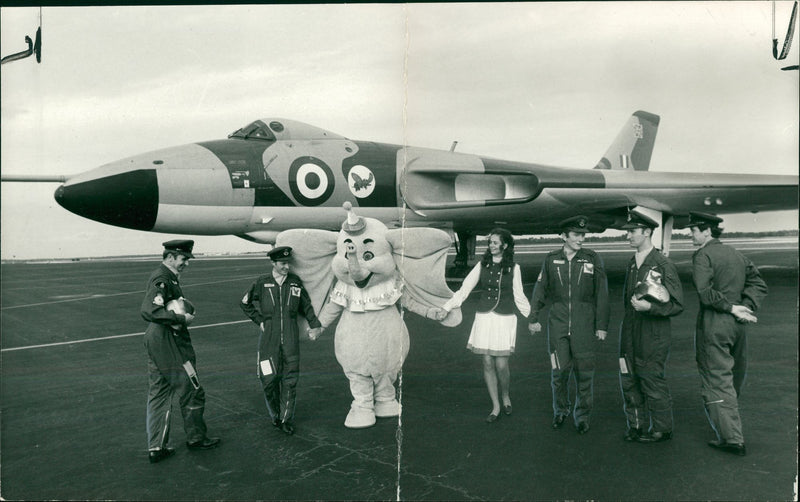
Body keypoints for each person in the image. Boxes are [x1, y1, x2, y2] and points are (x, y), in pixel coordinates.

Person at [685, 212, 767, 456]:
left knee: (716, 379)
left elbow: (704, 291)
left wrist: (730, 307)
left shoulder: (703, 255)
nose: (690, 234)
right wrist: (745, 306)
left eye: (694, 231)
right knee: (733, 376)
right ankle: (729, 426)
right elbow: (759, 283)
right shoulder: (736, 254)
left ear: (706, 231)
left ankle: (732, 439)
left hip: (715, 322)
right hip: (738, 324)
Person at [528, 216, 609, 434]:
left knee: (584, 373)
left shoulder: (592, 258)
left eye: (583, 235)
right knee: (559, 371)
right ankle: (560, 410)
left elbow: (602, 294)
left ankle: (582, 416)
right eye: (576, 234)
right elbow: (540, 290)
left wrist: (601, 325)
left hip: (584, 323)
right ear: (564, 236)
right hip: (558, 325)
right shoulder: (551, 259)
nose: (581, 239)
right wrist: (533, 317)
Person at [141, 240, 220, 464]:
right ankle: (196, 438)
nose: (187, 263)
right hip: (169, 342)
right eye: (184, 259)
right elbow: (149, 309)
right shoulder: (163, 278)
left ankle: (156, 446)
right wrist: (180, 318)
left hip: (156, 340)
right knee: (192, 388)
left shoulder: (167, 276)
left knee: (159, 392)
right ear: (171, 257)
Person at [442, 228, 530, 423]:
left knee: (501, 363)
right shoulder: (482, 265)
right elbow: (464, 289)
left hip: (504, 319)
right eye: (490, 242)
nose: (491, 245)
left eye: (495, 243)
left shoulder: (514, 268)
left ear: (505, 246)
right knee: (487, 362)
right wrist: (447, 307)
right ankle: (496, 405)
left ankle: (505, 395)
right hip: (484, 318)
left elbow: (519, 295)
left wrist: (532, 317)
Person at [240, 246, 322, 435]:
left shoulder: (295, 282)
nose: (287, 267)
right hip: (269, 338)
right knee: (268, 379)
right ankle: (274, 415)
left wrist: (315, 324)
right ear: (273, 263)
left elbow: (306, 305)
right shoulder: (262, 282)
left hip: (291, 338)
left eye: (288, 263)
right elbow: (245, 302)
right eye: (283, 263)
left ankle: (285, 419)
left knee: (290, 380)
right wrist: (259, 320)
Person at [618, 212, 684, 443]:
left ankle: (662, 429)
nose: (628, 235)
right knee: (629, 379)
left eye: (632, 231)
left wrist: (650, 309)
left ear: (647, 232)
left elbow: (677, 304)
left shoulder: (663, 264)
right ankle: (636, 425)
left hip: (653, 334)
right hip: (630, 332)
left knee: (651, 379)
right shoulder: (631, 263)